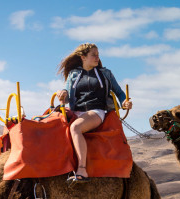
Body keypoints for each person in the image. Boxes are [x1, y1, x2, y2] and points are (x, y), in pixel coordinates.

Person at [56, 43, 132, 183]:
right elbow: (66, 94)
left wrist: (124, 102)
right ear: (83, 57)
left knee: (75, 128)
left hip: (95, 111)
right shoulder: (74, 74)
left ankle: (82, 169)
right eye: (94, 55)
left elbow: (119, 93)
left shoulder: (105, 73)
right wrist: (62, 94)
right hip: (75, 112)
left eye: (98, 55)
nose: (97, 58)